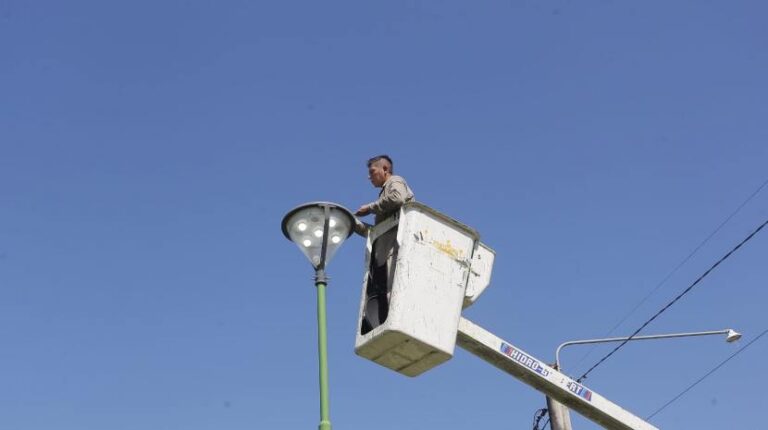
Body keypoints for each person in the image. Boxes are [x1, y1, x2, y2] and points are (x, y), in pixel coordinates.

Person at [354, 155, 414, 334]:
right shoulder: (385, 200)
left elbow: (397, 198)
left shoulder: (395, 182)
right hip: (386, 253)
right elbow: (378, 234)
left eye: (372, 172)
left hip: (396, 251)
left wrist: (370, 208)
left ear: (385, 169)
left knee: (392, 291)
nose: (369, 177)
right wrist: (353, 224)